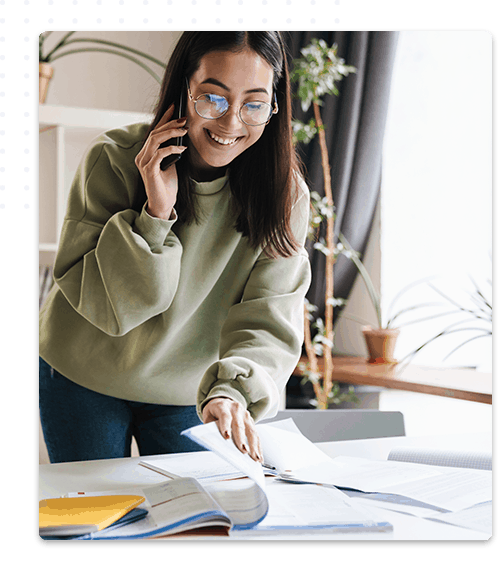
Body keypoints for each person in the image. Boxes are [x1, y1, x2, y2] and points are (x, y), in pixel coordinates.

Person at [39, 31, 311, 464]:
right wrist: (155, 213)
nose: (231, 122)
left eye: (254, 104)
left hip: (189, 389)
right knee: (93, 523)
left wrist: (233, 391)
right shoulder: (112, 158)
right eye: (212, 98)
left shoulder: (285, 196)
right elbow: (112, 308)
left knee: (192, 523)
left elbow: (270, 315)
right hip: (82, 375)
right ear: (184, 87)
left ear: (274, 107)